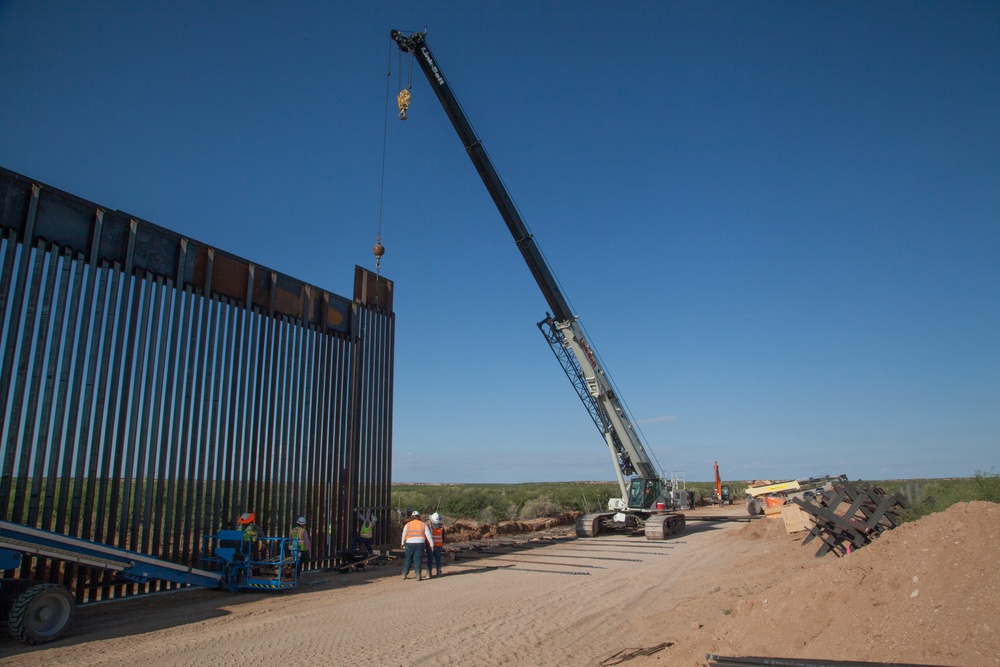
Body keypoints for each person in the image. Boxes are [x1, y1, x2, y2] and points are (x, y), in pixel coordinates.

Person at [400, 510, 433, 581]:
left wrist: (402, 543)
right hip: (420, 543)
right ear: (419, 517)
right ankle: (418, 575)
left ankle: (404, 574)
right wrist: (431, 544)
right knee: (418, 559)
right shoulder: (423, 524)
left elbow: (403, 535)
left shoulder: (407, 524)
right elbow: (428, 535)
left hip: (409, 543)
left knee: (408, 559)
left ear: (412, 517)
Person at [427, 512, 445, 577]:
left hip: (431, 546)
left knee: (430, 560)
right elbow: (443, 537)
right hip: (439, 545)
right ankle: (439, 572)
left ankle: (429, 573)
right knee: (438, 560)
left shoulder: (429, 527)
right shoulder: (442, 527)